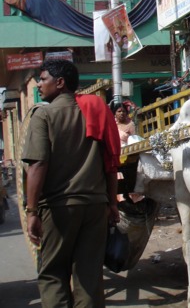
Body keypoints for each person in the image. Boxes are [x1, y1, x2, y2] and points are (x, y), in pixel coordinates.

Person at [22, 59, 120, 308]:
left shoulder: (43, 114)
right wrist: (112, 203)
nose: (40, 85)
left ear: (60, 82)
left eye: (43, 79)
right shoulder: (95, 111)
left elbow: (37, 165)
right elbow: (110, 162)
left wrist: (32, 211)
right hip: (96, 206)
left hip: (58, 208)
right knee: (89, 276)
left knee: (53, 274)